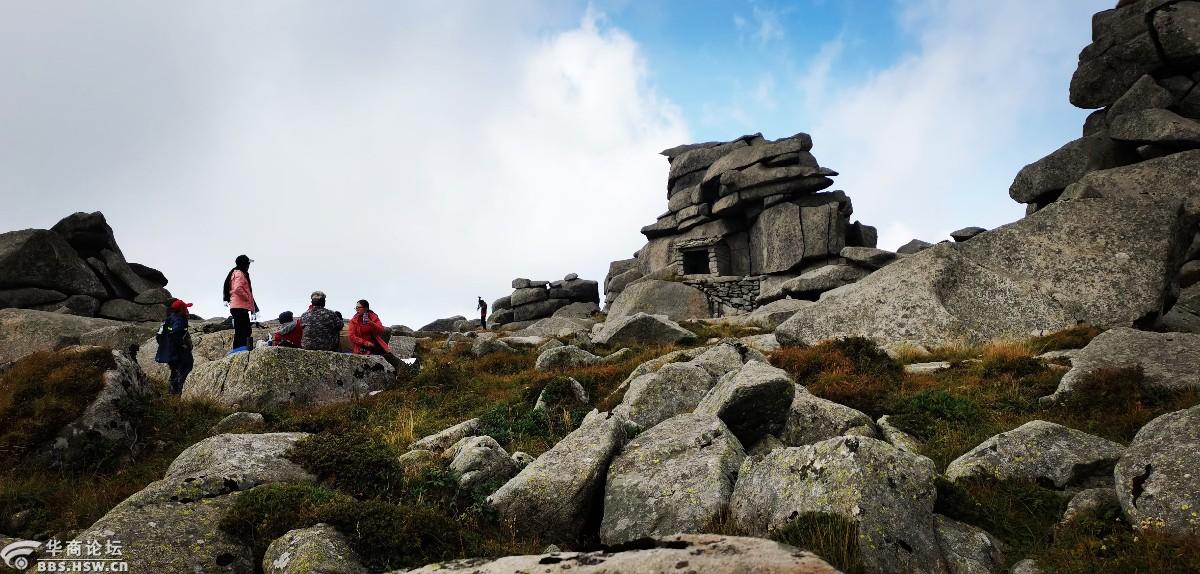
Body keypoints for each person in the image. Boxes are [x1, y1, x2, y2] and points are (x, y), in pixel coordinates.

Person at [154, 299, 194, 395]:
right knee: (185, 368)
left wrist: (166, 346)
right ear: (181, 310)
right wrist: (183, 345)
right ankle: (178, 393)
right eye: (185, 309)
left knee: (174, 371)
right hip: (178, 353)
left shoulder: (168, 319)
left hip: (170, 353)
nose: (187, 311)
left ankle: (171, 393)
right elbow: (175, 333)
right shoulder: (180, 319)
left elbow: (158, 335)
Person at [222, 254, 259, 353]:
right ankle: (240, 350)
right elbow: (237, 288)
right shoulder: (240, 274)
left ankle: (239, 349)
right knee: (244, 330)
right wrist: (247, 297)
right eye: (248, 264)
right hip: (240, 307)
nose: (249, 266)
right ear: (245, 264)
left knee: (242, 330)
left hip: (237, 306)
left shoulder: (236, 272)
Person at [348, 299, 400, 368]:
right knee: (385, 356)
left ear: (366, 308)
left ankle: (404, 367)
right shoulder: (354, 321)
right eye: (356, 308)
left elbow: (381, 330)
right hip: (362, 346)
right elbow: (351, 336)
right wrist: (365, 343)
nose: (357, 310)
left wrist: (371, 323)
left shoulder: (373, 317)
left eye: (359, 307)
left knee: (388, 356)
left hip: (375, 344)